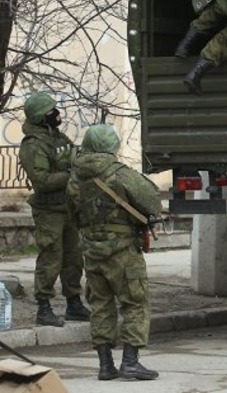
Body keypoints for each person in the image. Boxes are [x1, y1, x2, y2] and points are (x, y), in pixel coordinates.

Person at [66, 124, 162, 381]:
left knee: (100, 305)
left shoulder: (74, 179)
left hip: (92, 251)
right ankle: (130, 362)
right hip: (123, 251)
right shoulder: (120, 174)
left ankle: (105, 365)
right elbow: (152, 200)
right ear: (110, 147)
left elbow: (73, 215)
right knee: (135, 303)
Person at [18, 92, 91, 327]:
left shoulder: (58, 138)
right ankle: (44, 307)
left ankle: (74, 303)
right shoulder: (34, 145)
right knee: (51, 257)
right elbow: (41, 180)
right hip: (49, 211)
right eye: (52, 112)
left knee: (73, 257)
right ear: (42, 117)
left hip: (68, 207)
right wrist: (70, 176)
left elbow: (74, 158)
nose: (57, 115)